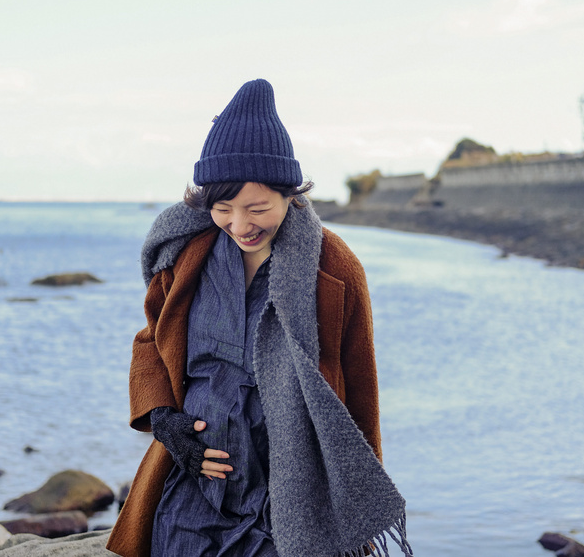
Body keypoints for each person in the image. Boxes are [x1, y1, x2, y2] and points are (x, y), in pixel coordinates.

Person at [106, 79, 411, 557]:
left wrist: (354, 503)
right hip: (193, 488)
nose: (240, 225)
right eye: (224, 208)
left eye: (258, 208)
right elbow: (150, 341)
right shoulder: (185, 253)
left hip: (288, 493)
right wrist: (165, 421)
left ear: (290, 193)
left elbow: (359, 387)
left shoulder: (335, 270)